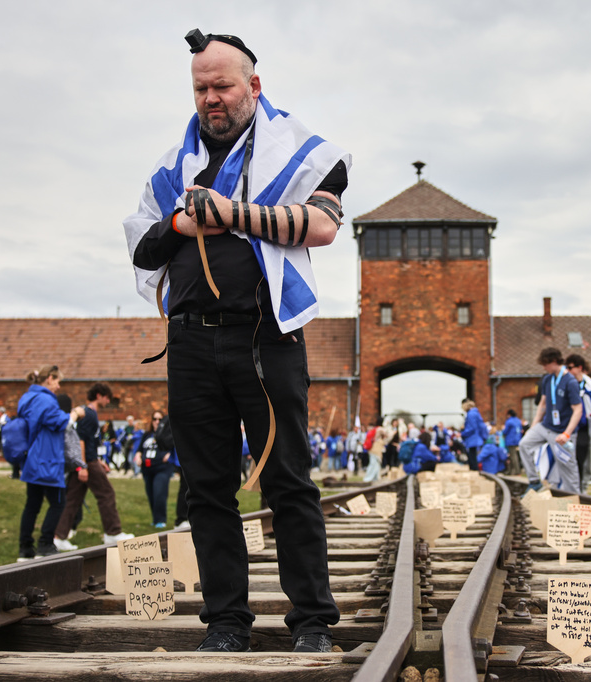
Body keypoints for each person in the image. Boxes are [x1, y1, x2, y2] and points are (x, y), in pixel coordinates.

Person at [123, 30, 349, 653]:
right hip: (191, 342)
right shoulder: (172, 170)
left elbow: (322, 225)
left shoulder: (306, 154)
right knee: (205, 487)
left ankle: (311, 623)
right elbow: (144, 247)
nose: (210, 99)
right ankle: (225, 623)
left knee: (288, 481)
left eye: (222, 85)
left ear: (254, 85)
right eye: (200, 88)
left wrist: (229, 214)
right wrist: (178, 220)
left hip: (265, 337)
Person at [16, 366, 85, 561]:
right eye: (57, 381)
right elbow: (61, 423)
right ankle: (46, 544)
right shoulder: (45, 399)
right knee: (58, 503)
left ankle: (25, 548)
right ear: (48, 378)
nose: (58, 386)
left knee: (32, 504)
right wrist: (76, 413)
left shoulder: (27, 398)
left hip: (32, 457)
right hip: (47, 458)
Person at [54, 383, 133, 549]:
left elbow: (90, 442)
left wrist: (99, 461)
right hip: (87, 463)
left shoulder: (89, 413)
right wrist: (82, 465)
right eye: (107, 397)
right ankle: (112, 533)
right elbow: (81, 441)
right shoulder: (89, 414)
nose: (108, 401)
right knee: (107, 494)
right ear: (99, 395)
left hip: (89, 461)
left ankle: (59, 537)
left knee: (73, 500)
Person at [518, 347, 583, 494]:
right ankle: (534, 481)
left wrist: (567, 434)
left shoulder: (570, 382)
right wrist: (533, 427)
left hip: (562, 431)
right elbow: (543, 403)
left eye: (545, 364)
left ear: (554, 361)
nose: (544, 367)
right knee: (524, 444)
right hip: (546, 426)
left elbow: (578, 410)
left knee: (567, 466)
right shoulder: (548, 379)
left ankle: (575, 497)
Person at [133, 411, 175, 528]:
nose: (157, 421)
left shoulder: (168, 434)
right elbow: (139, 449)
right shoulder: (147, 435)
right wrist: (138, 456)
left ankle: (161, 520)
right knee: (151, 494)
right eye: (154, 419)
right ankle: (155, 519)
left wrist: (169, 455)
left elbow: (175, 447)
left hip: (162, 468)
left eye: (159, 419)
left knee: (159, 493)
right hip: (147, 469)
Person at [565, 355, 591, 488]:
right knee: (570, 457)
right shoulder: (567, 382)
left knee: (583, 456)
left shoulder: (589, 384)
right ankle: (571, 485)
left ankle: (582, 485)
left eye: (571, 367)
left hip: (584, 426)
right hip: (570, 426)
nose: (568, 370)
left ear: (579, 368)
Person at [460, 399, 487, 471]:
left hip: (472, 438)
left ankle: (474, 470)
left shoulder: (471, 414)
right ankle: (475, 469)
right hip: (476, 438)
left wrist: (463, 433)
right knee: (473, 455)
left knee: (472, 456)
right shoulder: (476, 413)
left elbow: (472, 427)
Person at [502, 410, 523, 476]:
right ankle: (510, 471)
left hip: (511, 440)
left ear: (509, 415)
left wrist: (503, 431)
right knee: (513, 455)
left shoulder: (509, 421)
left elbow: (505, 431)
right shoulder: (518, 420)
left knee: (513, 456)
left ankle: (517, 471)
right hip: (517, 440)